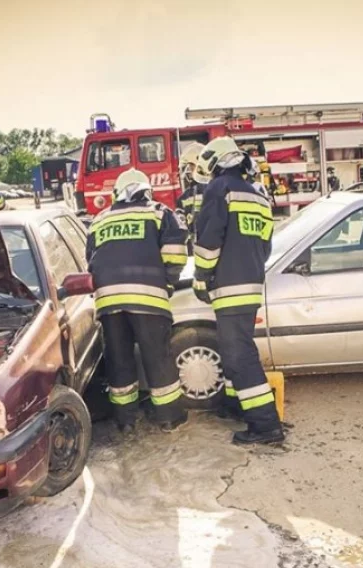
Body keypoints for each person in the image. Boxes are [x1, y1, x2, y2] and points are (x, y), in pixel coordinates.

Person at [191, 136, 286, 445]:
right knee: (238, 350)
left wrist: (201, 276)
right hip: (251, 284)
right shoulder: (258, 196)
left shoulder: (220, 189)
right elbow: (265, 245)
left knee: (239, 356)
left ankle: (266, 426)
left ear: (217, 163)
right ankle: (236, 406)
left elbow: (209, 238)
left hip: (229, 286)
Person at [86, 168, 189, 434]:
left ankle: (125, 420)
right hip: (149, 299)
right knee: (158, 358)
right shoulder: (159, 213)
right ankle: (169, 417)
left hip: (109, 302)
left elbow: (91, 260)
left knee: (119, 360)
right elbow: (176, 254)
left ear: (117, 193)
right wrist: (167, 283)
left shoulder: (99, 220)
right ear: (146, 190)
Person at [176, 142, 206, 250]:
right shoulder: (221, 190)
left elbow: (179, 230)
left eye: (189, 166)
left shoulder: (184, 198)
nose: (186, 171)